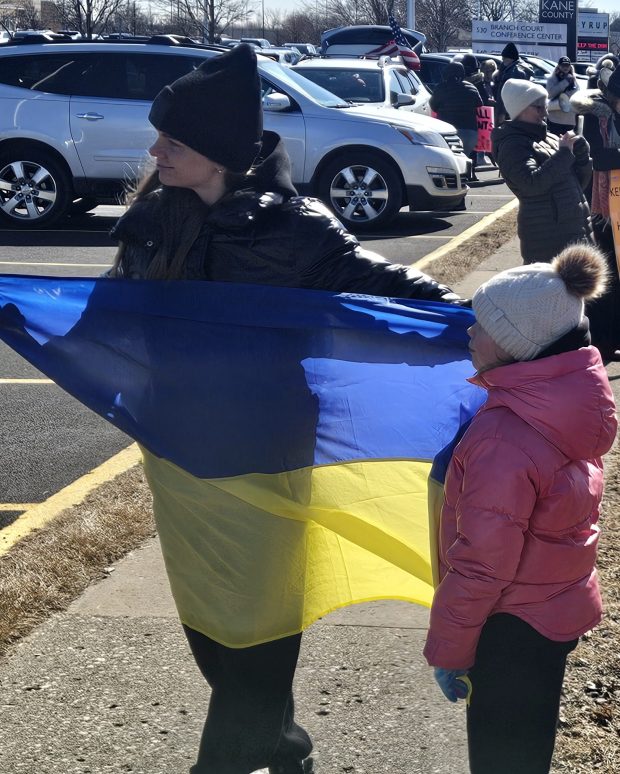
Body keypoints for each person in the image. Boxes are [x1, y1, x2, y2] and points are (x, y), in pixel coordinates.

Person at [108, 43, 466, 774]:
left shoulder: (298, 229)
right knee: (211, 630)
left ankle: (241, 751)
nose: (155, 151)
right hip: (179, 463)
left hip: (267, 460)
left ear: (217, 152)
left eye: (171, 141)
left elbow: (401, 296)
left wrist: (509, 328)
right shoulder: (152, 222)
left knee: (254, 640)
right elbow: (108, 320)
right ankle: (288, 744)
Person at [423, 244, 617, 774]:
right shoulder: (569, 406)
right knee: (529, 745)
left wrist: (451, 649)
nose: (468, 332)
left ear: (514, 346)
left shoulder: (504, 436)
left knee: (500, 757)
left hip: (509, 627)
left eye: (480, 324)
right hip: (555, 609)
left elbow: (484, 563)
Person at [491, 79, 593, 264]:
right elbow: (530, 184)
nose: (544, 112)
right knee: (555, 292)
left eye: (544, 106)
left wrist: (581, 157)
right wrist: (564, 154)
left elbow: (578, 184)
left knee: (582, 290)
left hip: (574, 231)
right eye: (538, 107)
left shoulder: (550, 138)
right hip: (548, 239)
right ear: (519, 109)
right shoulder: (512, 144)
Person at [571, 61, 620, 360]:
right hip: (604, 208)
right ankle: (602, 339)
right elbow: (599, 158)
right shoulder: (596, 115)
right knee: (607, 274)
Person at [429, 61, 483, 181]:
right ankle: (469, 175)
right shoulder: (471, 87)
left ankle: (453, 181)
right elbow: (480, 104)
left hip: (449, 133)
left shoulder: (441, 88)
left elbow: (433, 106)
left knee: (451, 160)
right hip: (470, 132)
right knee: (466, 156)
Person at [493, 43, 532, 124]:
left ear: (510, 58)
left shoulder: (513, 72)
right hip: (517, 110)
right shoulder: (519, 68)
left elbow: (508, 94)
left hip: (508, 112)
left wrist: (502, 112)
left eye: (504, 58)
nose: (502, 60)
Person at [546, 56, 579, 136]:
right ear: (559, 66)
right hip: (555, 118)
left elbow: (576, 94)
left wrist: (566, 96)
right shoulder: (551, 79)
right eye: (563, 65)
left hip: (569, 119)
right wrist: (565, 82)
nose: (565, 68)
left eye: (567, 65)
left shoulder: (573, 79)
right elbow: (550, 94)